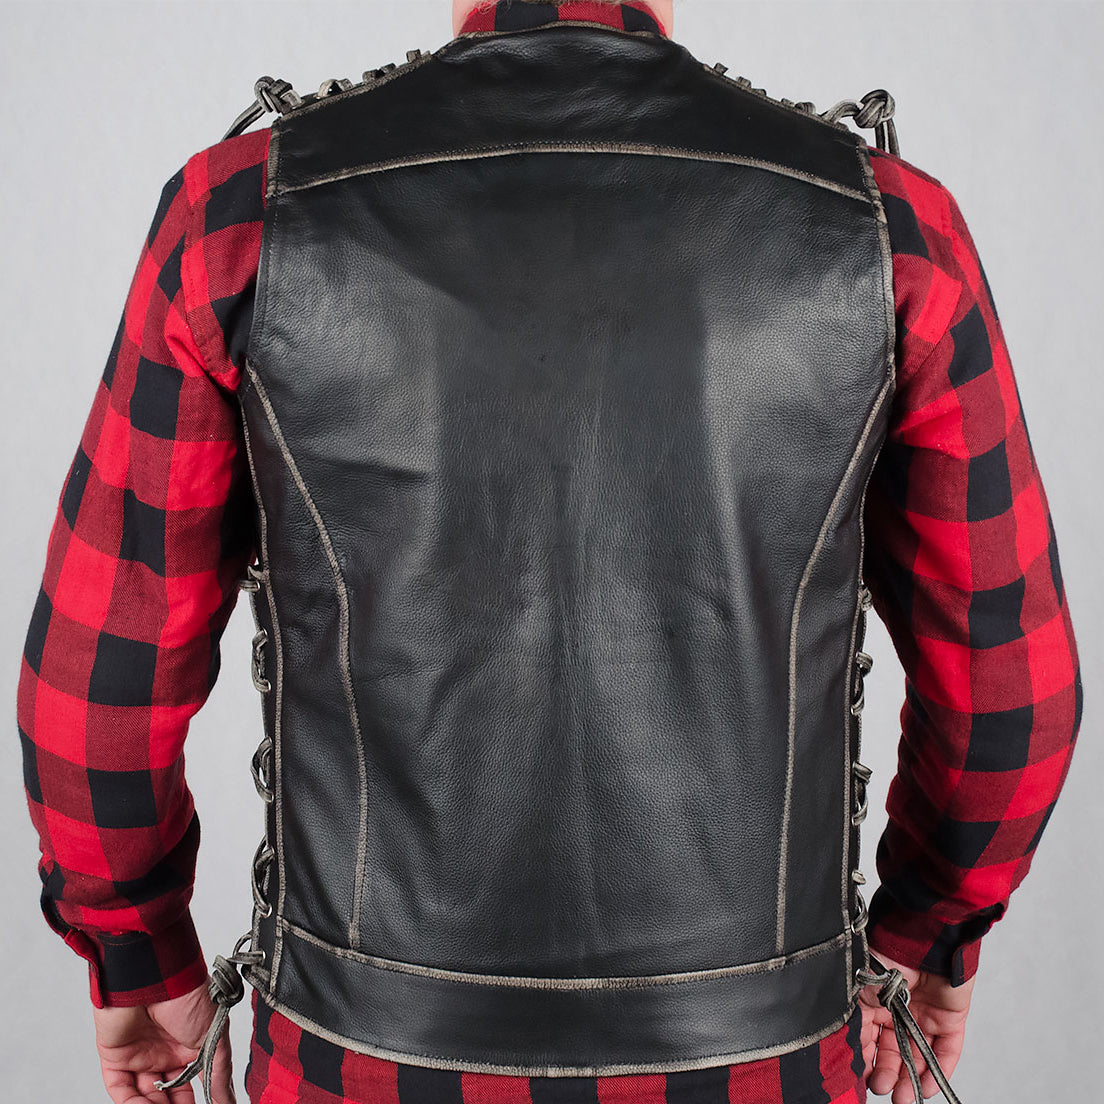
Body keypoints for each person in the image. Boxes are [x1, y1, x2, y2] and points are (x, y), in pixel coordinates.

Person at [16, 2, 1082, 1103]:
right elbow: (1013, 696)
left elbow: (99, 684)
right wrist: (924, 935)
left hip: (358, 1060)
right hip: (763, 1061)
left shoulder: (243, 215)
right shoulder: (886, 228)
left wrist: (140, 956)